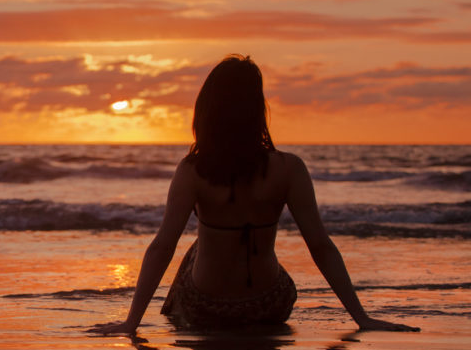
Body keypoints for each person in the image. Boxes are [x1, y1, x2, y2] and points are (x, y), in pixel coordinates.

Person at [94, 55, 418, 335]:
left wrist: (130, 322)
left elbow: (163, 246)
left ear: (207, 111)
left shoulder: (193, 170)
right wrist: (361, 318)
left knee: (193, 249)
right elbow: (320, 245)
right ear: (257, 110)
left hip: (206, 308)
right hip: (268, 304)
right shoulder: (290, 168)